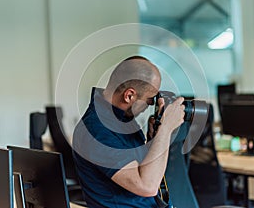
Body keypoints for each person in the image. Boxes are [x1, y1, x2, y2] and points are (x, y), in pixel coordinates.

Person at [72, 56, 185, 207]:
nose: (150, 106)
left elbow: (140, 168)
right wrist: (166, 129)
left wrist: (154, 139)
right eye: (149, 100)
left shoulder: (120, 120)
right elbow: (147, 186)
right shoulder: (96, 131)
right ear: (129, 95)